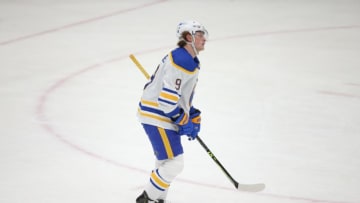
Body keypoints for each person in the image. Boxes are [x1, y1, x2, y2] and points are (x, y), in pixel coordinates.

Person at [135, 20, 208, 203]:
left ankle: (159, 199)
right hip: (157, 114)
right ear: (188, 37)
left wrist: (191, 114)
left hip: (159, 113)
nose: (204, 38)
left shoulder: (189, 60)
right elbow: (167, 102)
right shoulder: (181, 60)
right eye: (199, 35)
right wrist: (183, 120)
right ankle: (147, 199)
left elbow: (179, 96)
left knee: (165, 162)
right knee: (175, 163)